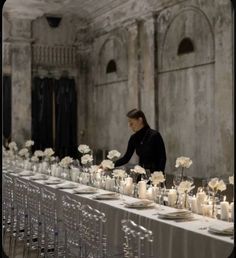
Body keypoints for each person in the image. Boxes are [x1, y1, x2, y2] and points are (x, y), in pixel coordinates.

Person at [115, 109, 166, 175]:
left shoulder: (154, 135)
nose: (129, 125)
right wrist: (108, 165)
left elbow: (162, 158)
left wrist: (159, 176)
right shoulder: (133, 138)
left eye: (131, 122)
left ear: (140, 120)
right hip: (141, 176)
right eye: (128, 122)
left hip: (156, 176)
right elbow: (126, 158)